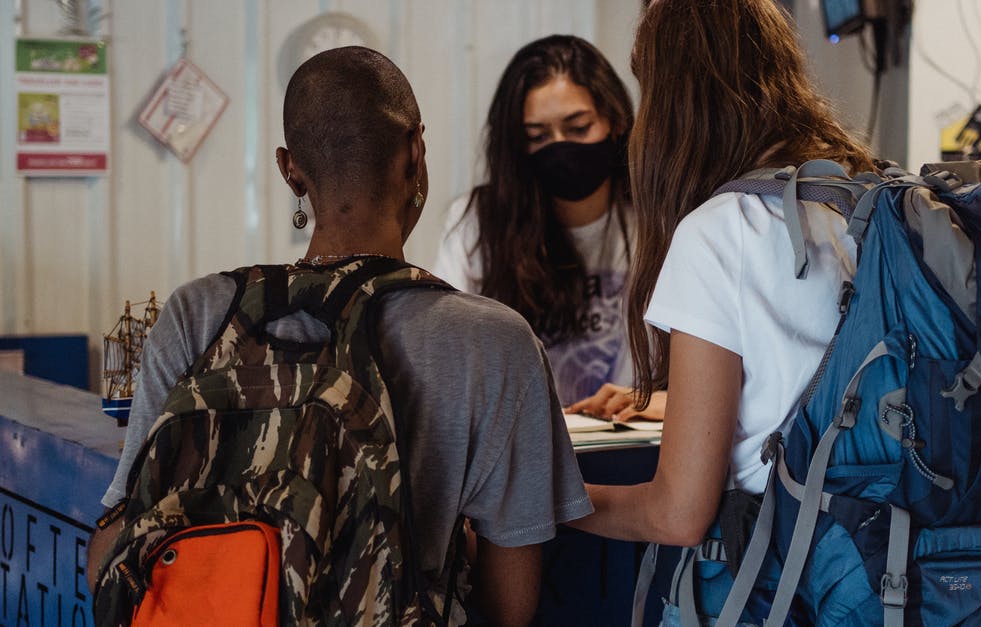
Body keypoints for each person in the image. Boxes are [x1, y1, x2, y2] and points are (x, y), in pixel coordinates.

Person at [87, 46, 592, 627]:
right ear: (416, 152)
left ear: (289, 168)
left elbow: (117, 547)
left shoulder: (197, 314)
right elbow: (510, 607)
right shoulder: (494, 343)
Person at [567, 1, 875, 624]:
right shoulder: (867, 199)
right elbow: (812, 383)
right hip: (877, 575)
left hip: (776, 584)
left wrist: (554, 501)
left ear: (674, 100)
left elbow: (678, 514)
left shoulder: (720, 230)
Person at [434, 35, 659, 413]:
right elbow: (446, 350)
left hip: (630, 442)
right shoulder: (478, 223)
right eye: (538, 137)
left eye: (578, 128)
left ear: (616, 121)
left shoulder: (655, 221)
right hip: (519, 450)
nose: (561, 147)